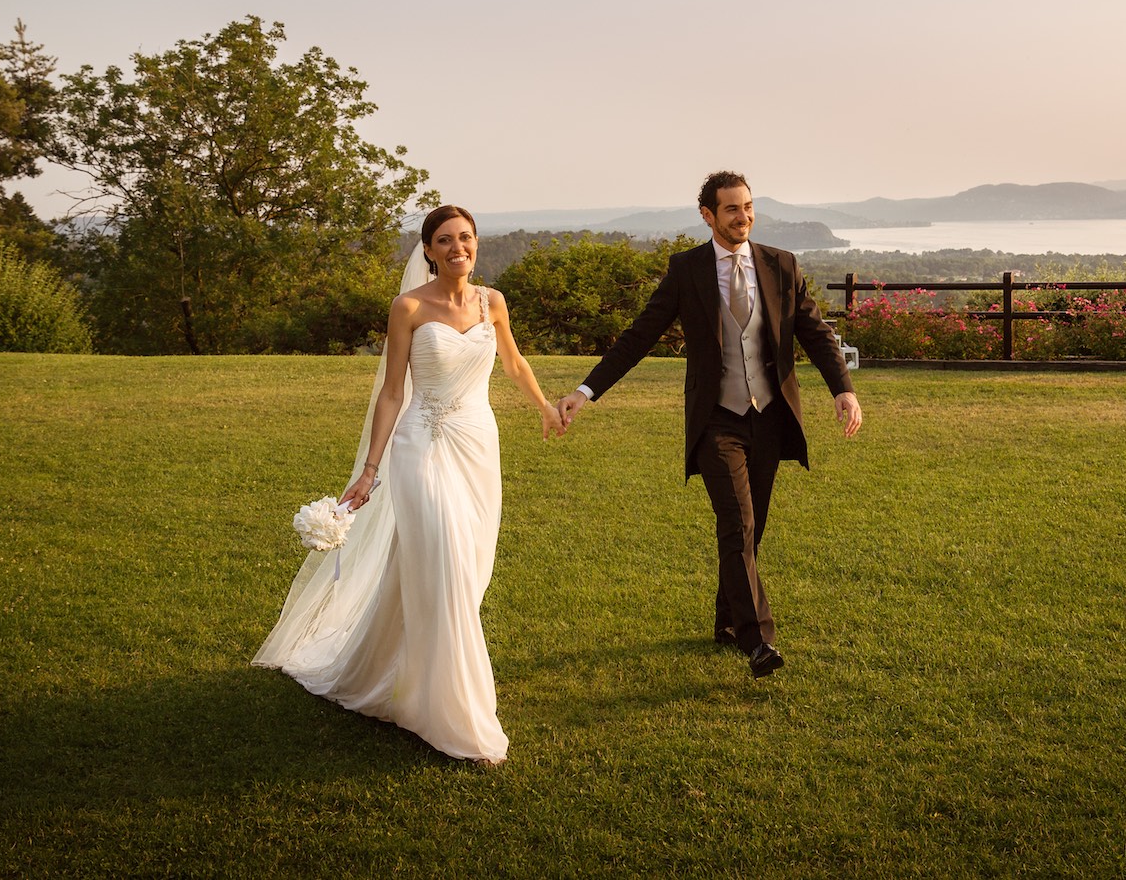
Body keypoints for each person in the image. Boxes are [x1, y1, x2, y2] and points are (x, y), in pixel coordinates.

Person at [253, 205, 562, 764]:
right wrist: (370, 470)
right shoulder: (410, 308)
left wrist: (543, 406)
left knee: (463, 568)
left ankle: (390, 669)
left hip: (477, 447)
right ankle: (455, 715)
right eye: (445, 240)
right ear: (428, 250)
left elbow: (514, 363)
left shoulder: (492, 302)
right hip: (421, 444)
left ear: (476, 244)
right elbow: (392, 392)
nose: (457, 248)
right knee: (445, 557)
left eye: (465, 238)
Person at [557, 172, 862, 679]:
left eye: (748, 207)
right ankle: (758, 640)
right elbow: (638, 337)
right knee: (736, 522)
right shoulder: (687, 271)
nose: (743, 217)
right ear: (708, 215)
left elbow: (814, 332)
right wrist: (585, 391)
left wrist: (843, 390)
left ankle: (726, 622)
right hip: (716, 419)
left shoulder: (782, 265)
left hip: (770, 416)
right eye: (731, 209)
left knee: (751, 530)